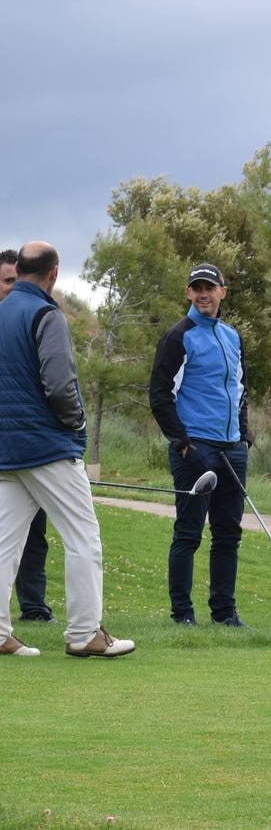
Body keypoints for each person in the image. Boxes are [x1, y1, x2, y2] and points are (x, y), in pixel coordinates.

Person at [0, 242, 135, 658]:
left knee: (4, 543)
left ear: (19, 269)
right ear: (54, 273)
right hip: (47, 446)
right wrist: (76, 422)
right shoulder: (47, 314)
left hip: (6, 449)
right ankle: (84, 634)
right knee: (83, 539)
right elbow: (59, 384)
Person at [149, 263, 252, 628]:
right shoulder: (179, 336)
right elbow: (160, 396)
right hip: (195, 448)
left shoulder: (232, 336)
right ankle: (183, 616)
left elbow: (239, 391)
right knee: (189, 533)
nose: (203, 294)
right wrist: (183, 445)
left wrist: (244, 438)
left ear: (224, 291)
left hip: (231, 449)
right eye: (197, 288)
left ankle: (225, 614)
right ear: (188, 293)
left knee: (228, 534)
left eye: (210, 287)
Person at [1, 250, 56, 624]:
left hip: (26, 445)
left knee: (32, 534)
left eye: (13, 280)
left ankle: (33, 608)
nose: (11, 287)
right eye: (6, 281)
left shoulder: (34, 319)